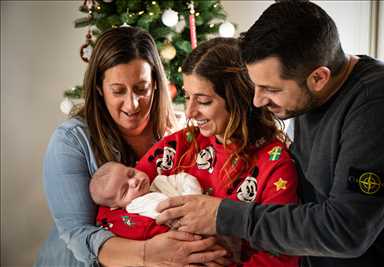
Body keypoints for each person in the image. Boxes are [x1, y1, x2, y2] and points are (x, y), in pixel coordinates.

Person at [155, 1, 384, 267]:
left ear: (318, 77)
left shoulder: (380, 106)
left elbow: (345, 231)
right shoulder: (313, 94)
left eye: (270, 89)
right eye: (255, 86)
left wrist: (224, 216)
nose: (258, 101)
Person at [35, 26, 226, 267]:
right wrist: (147, 254)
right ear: (99, 89)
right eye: (117, 91)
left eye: (141, 88)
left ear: (156, 84)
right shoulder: (71, 141)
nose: (132, 103)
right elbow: (78, 234)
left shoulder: (179, 134)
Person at [130, 37, 300, 267]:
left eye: (203, 101)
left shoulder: (275, 165)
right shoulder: (180, 145)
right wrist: (155, 248)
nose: (189, 112)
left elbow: (281, 257)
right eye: (187, 97)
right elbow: (115, 203)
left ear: (238, 98)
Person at [89, 161, 202, 240]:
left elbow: (185, 178)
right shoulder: (137, 206)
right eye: (125, 190)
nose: (134, 182)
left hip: (199, 216)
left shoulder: (159, 181)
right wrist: (192, 202)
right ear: (115, 206)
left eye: (131, 173)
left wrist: (193, 200)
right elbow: (173, 216)